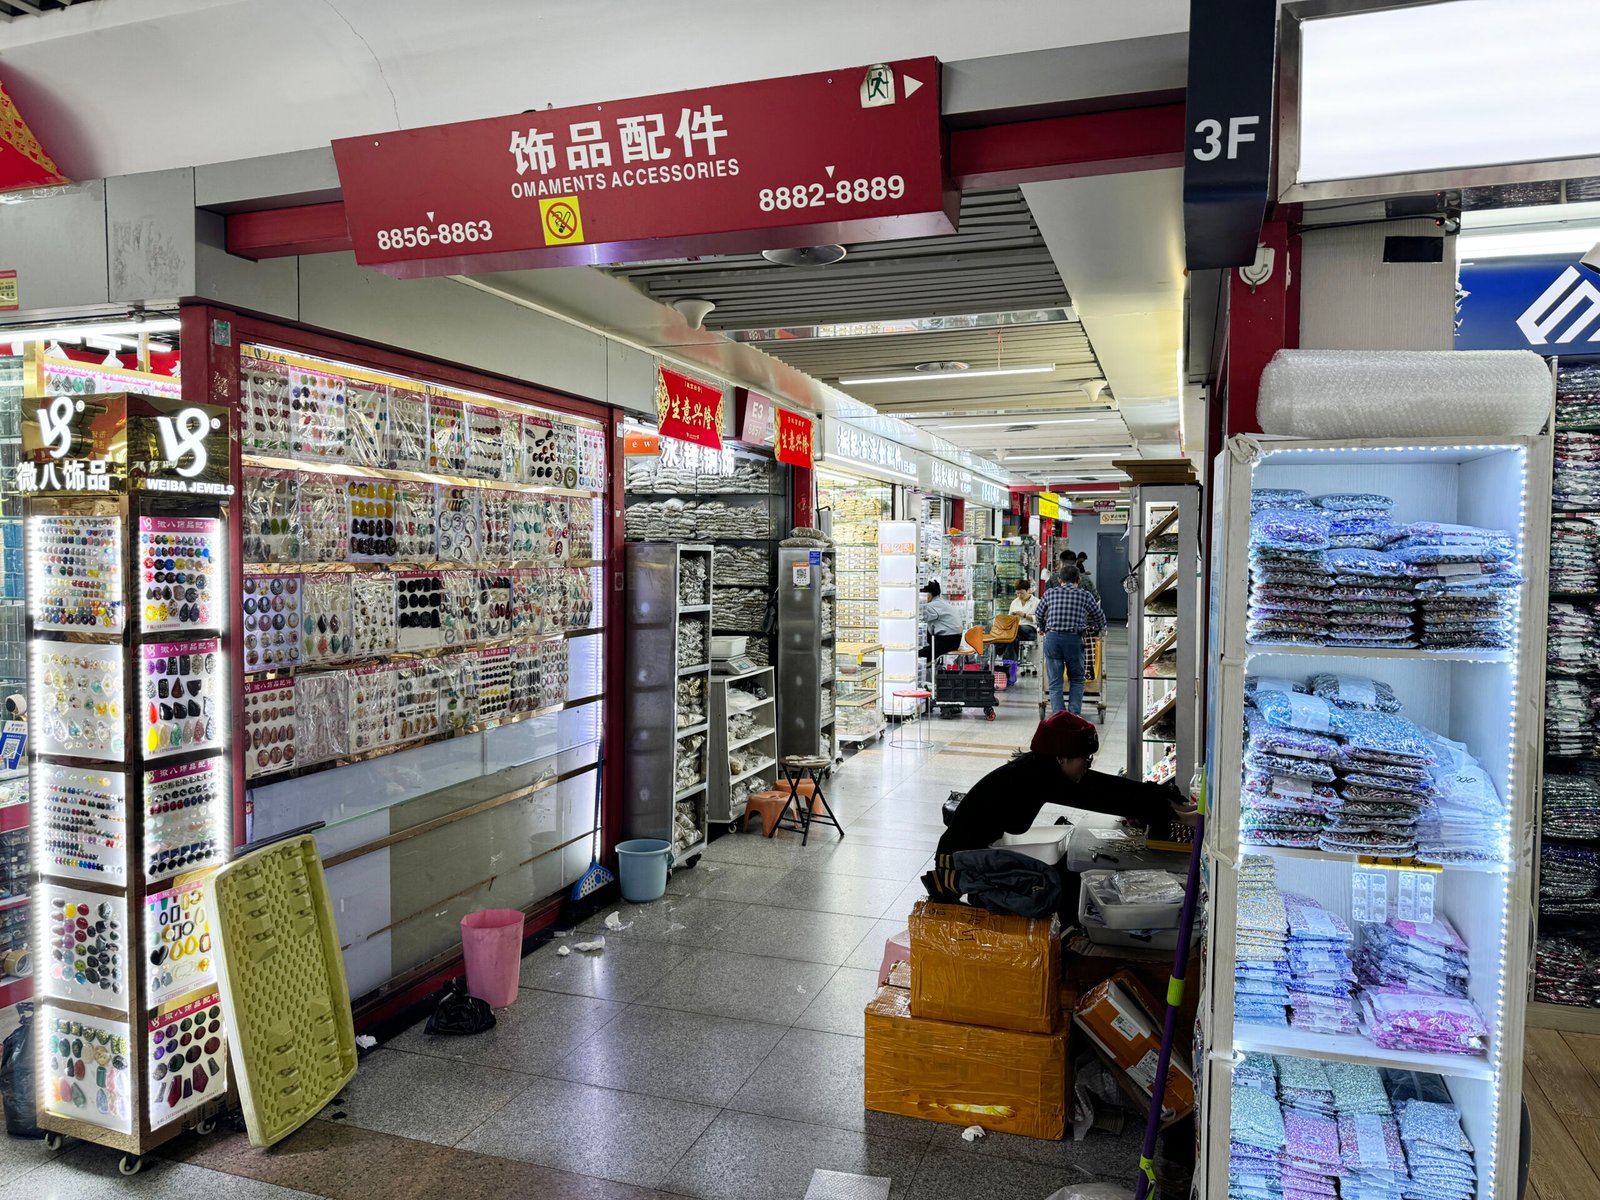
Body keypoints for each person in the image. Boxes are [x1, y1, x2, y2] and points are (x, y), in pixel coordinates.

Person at [929, 710, 1189, 914]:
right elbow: (1101, 796)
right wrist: (1168, 810)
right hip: (957, 864)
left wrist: (1162, 798)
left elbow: (1103, 786)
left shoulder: (1037, 769)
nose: (1087, 766)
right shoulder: (1037, 779)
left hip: (968, 855)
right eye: (1085, 760)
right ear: (1061, 758)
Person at [1038, 564, 1105, 715]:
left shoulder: (1050, 593)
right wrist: (1099, 629)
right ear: (1079, 580)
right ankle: (1074, 714)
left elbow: (1039, 613)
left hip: (1052, 639)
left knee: (1055, 682)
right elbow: (1098, 615)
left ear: (1059, 579)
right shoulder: (1084, 595)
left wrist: (1043, 627)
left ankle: (1058, 715)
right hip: (1073, 640)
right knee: (1076, 679)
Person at [917, 579, 965, 659]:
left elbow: (923, 617)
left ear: (929, 594)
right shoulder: (940, 602)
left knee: (921, 654)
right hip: (953, 638)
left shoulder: (933, 605)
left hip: (948, 640)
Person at [1002, 580, 1038, 661]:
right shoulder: (1014, 602)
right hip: (1016, 631)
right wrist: (1011, 616)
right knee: (1012, 639)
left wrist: (1024, 615)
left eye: (1021, 593)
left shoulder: (1036, 602)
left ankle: (999, 649)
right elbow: (1009, 618)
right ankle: (1011, 667)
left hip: (1030, 630)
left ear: (1028, 590)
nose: (1019, 595)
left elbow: (1039, 619)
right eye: (1017, 593)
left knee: (1014, 631)